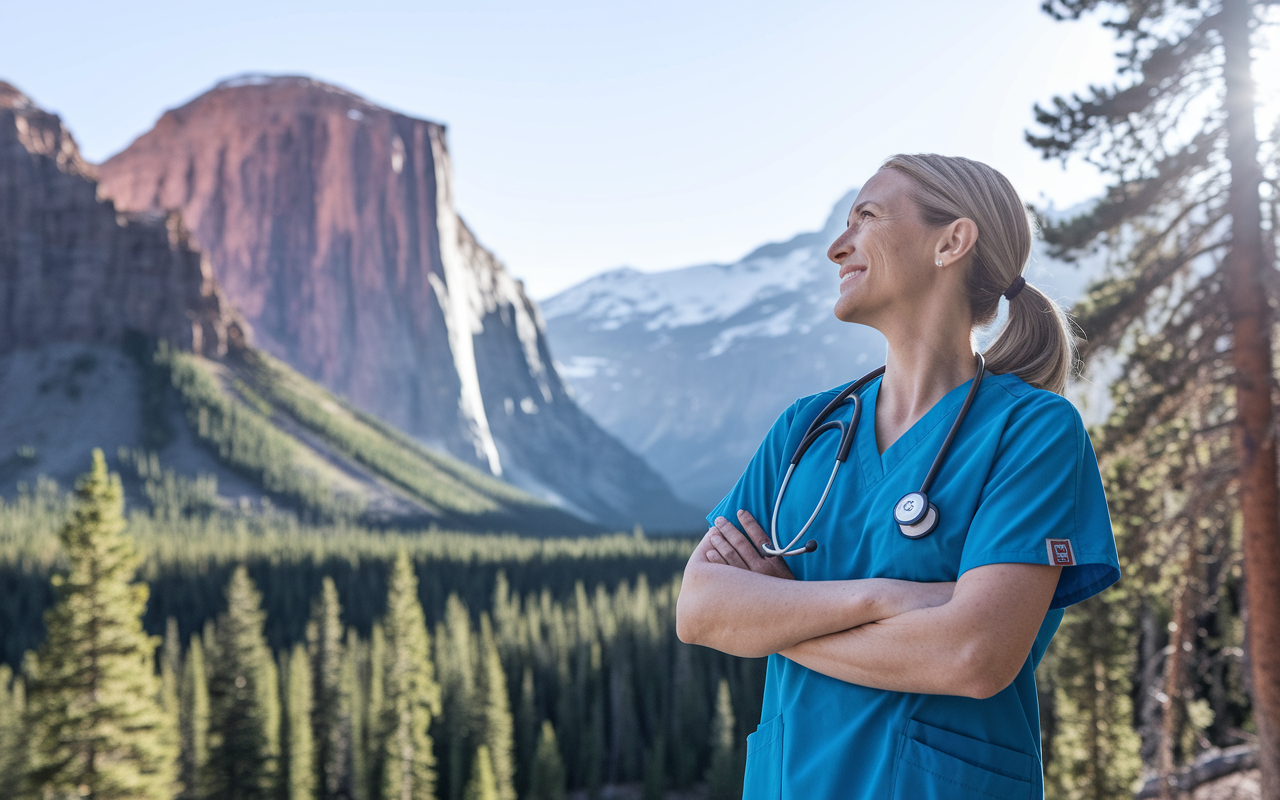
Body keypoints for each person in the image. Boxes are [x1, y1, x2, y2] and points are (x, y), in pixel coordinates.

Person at [675, 153, 1121, 800]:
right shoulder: (806, 430)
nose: (836, 247)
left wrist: (776, 618)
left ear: (952, 242)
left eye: (867, 217)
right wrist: (885, 600)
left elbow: (973, 655)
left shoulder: (1033, 431)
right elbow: (700, 610)